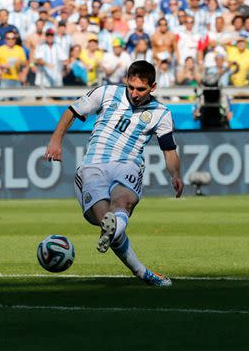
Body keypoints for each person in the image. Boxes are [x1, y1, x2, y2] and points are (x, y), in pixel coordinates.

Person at [43, 61, 183, 287]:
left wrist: (175, 175)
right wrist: (55, 140)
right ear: (126, 81)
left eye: (141, 89)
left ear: (153, 87)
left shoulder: (161, 113)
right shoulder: (105, 92)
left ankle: (125, 244)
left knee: (123, 202)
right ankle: (140, 269)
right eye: (131, 87)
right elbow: (73, 111)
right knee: (105, 220)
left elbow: (169, 149)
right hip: (94, 164)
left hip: (128, 164)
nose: (135, 94)